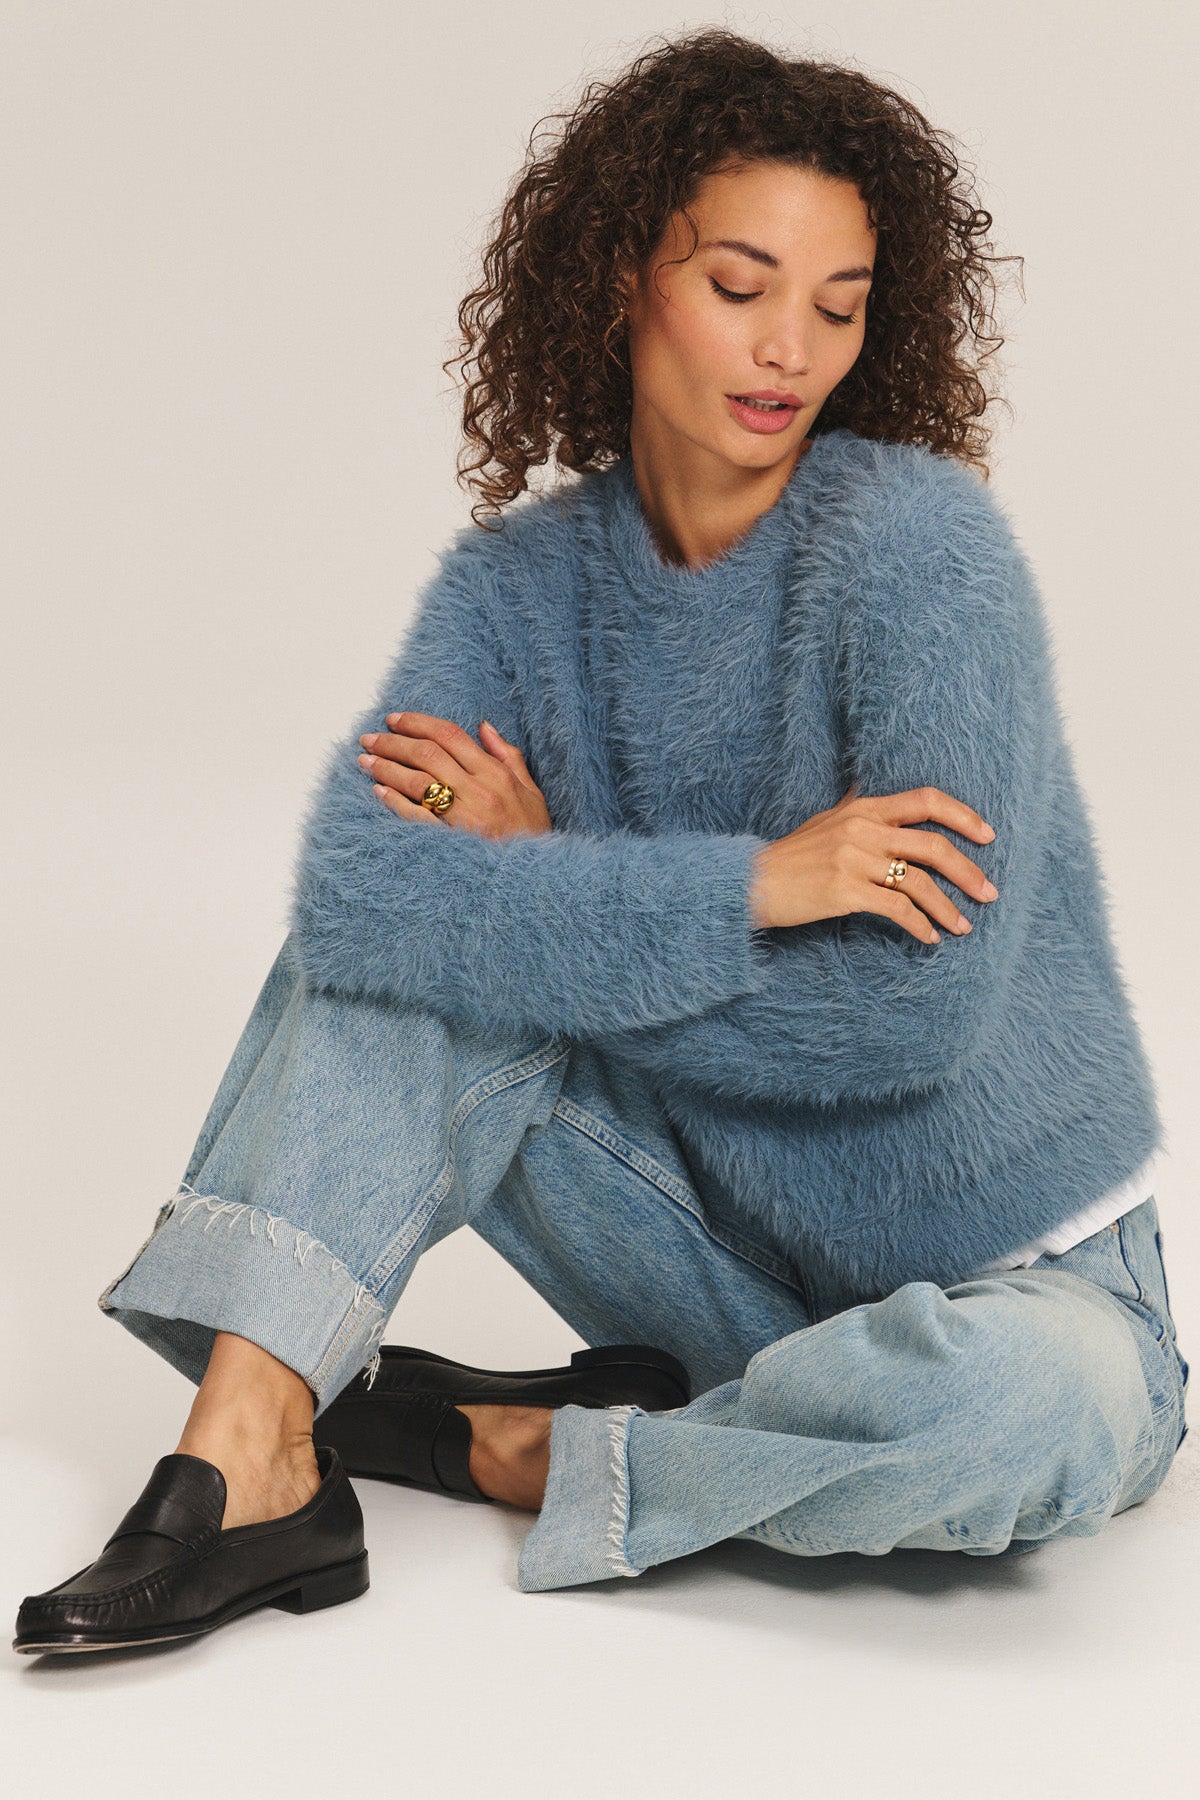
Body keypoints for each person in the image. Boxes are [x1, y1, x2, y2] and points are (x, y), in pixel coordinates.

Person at [14, 28, 1188, 1656]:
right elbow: (361, 899)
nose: (788, 349)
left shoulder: (924, 557)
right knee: (409, 940)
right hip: (703, 1256)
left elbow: (905, 1013)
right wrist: (758, 883)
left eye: (838, 305)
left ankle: (533, 1448)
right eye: (740, 285)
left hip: (1022, 1291)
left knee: (1032, 1413)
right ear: (624, 275)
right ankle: (248, 1454)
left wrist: (551, 883)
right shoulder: (515, 593)